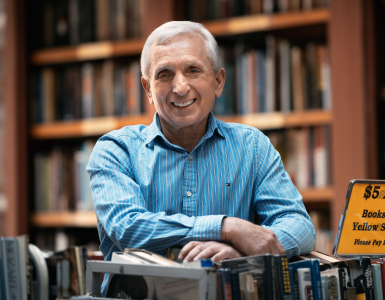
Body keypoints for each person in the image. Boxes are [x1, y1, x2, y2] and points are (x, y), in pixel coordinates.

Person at [87, 21, 316, 294]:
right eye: (164, 74)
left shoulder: (253, 146)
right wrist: (226, 227)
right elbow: (128, 228)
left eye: (193, 70)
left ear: (218, 81)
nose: (180, 87)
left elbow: (300, 226)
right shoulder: (115, 150)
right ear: (148, 89)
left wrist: (239, 254)